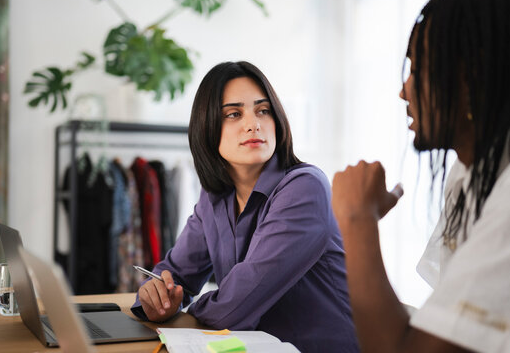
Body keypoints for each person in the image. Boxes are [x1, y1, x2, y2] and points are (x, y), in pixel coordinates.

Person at [131, 61, 359, 352]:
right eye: (234, 114)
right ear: (207, 128)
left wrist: (183, 309)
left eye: (263, 110)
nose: (254, 123)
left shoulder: (305, 188)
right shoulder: (214, 196)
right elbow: (176, 272)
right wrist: (155, 300)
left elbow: (234, 307)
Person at [331, 0, 510, 352]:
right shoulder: (466, 173)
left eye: (417, 69)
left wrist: (357, 220)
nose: (403, 91)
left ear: (472, 76)